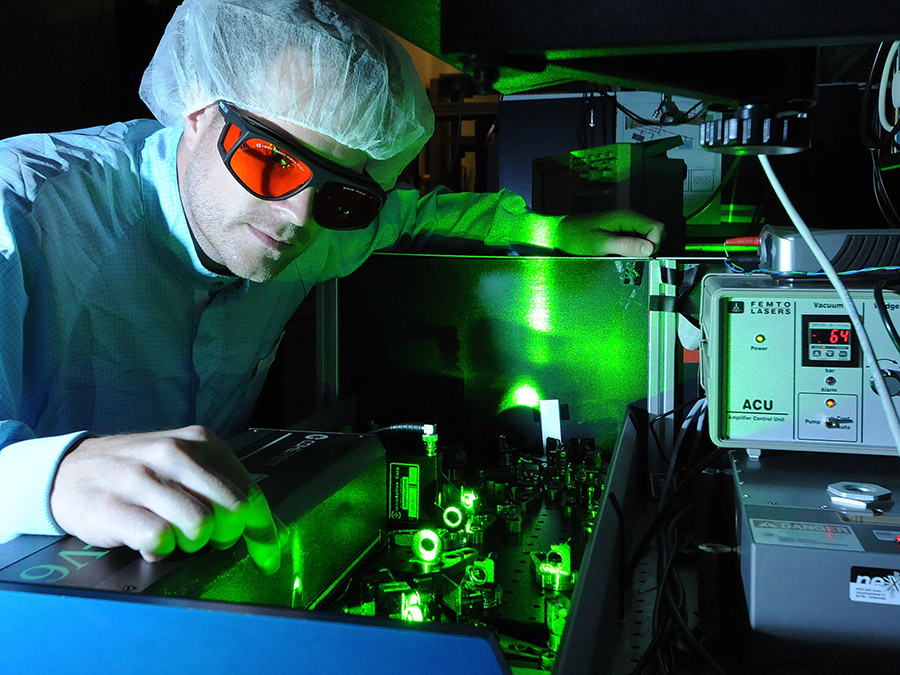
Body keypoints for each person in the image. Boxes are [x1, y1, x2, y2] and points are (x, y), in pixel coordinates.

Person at [0, 0, 663, 575]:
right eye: (270, 159)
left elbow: (419, 212)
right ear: (199, 110)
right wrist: (53, 475)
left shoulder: (319, 226)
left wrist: (550, 230)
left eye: (341, 194)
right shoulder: (22, 213)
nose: (298, 217)